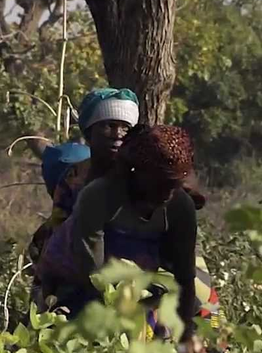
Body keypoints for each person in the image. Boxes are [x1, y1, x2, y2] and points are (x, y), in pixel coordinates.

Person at [37, 125, 200, 341]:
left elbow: (185, 279)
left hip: (140, 287)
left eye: (174, 185)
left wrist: (184, 340)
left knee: (204, 314)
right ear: (138, 172)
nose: (168, 193)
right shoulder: (98, 197)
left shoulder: (180, 207)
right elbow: (94, 277)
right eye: (160, 183)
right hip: (74, 283)